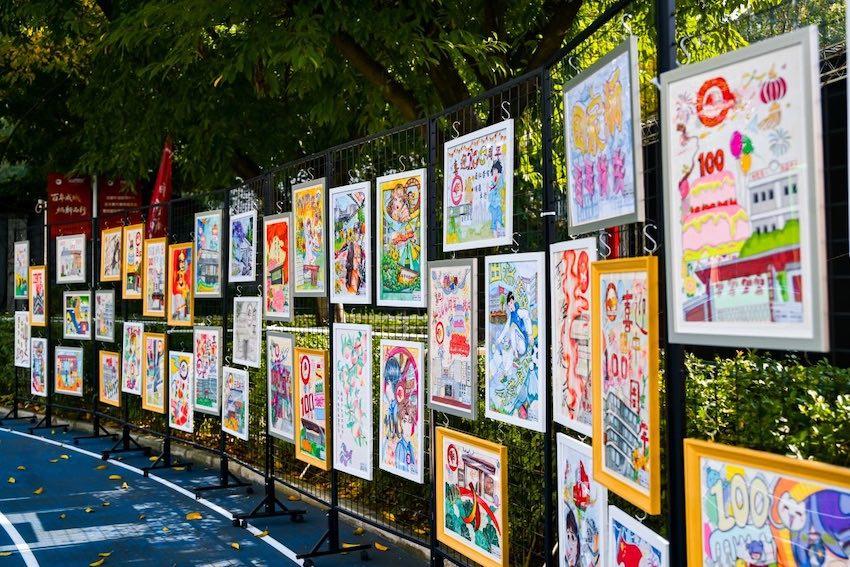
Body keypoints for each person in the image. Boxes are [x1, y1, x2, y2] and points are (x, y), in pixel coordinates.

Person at [488, 159, 505, 234]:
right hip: (493, 202)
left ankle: (498, 229)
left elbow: (500, 187)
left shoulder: (500, 177)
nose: (494, 171)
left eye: (496, 170)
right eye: (493, 170)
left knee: (498, 216)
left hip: (497, 201)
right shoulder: (493, 179)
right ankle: (496, 230)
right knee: (495, 218)